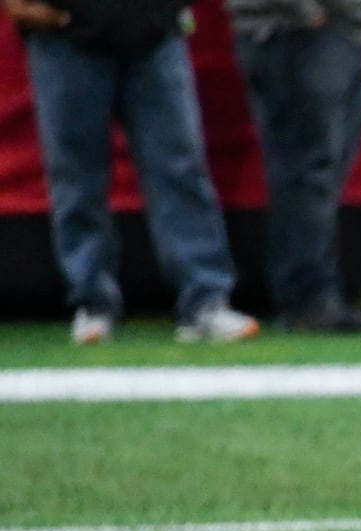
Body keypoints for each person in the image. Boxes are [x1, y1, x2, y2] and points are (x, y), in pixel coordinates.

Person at [6, 0, 259, 344]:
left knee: (180, 171)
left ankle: (205, 299)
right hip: (65, 35)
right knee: (77, 178)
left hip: (154, 33)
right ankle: (92, 300)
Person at [224, 0, 361, 333]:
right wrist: (304, 11)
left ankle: (311, 294)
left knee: (318, 174)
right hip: (299, 29)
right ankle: (308, 299)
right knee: (308, 174)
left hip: (339, 28)